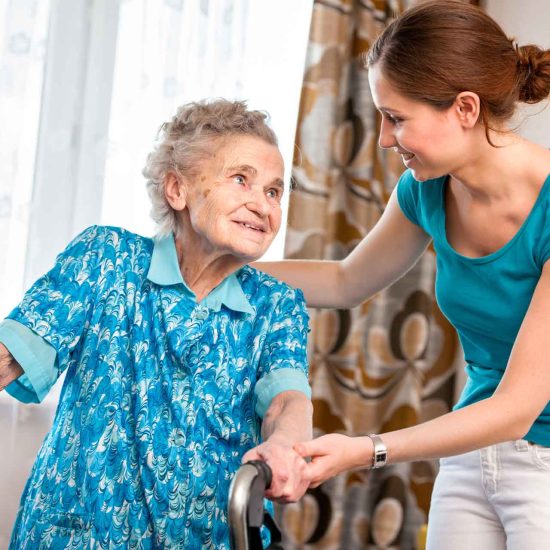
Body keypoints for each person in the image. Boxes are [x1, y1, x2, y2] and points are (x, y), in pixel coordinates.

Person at [254, 1, 550, 548]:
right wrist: (219, 270)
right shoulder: (427, 189)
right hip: (470, 456)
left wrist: (367, 449)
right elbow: (346, 280)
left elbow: (516, 408)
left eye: (396, 118)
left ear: (464, 108)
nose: (386, 140)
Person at [0, 99, 313, 549]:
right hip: (77, 535)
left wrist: (284, 445)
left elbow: (288, 402)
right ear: (177, 190)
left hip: (205, 538)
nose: (261, 204)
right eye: (241, 179)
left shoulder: (277, 305)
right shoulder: (106, 259)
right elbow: (12, 355)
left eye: (274, 192)